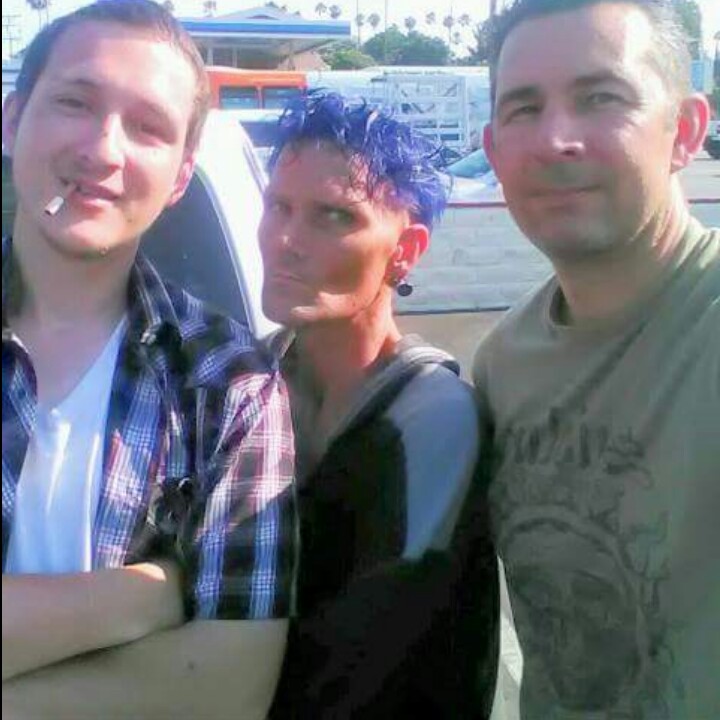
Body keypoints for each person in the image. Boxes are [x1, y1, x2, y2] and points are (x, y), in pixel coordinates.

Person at [1, 2, 295, 718]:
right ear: (11, 121)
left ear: (180, 177)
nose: (104, 150)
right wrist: (144, 598)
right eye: (75, 102)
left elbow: (229, 692)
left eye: (148, 128)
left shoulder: (230, 383)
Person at [474, 1, 719, 718]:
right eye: (524, 109)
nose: (556, 140)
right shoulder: (501, 366)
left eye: (600, 98)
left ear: (685, 131)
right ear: (493, 151)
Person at [259, 91, 499, 719]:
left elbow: (356, 660)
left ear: (406, 249)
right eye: (278, 206)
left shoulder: (433, 416)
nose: (285, 240)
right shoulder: (252, 385)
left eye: (334, 217)